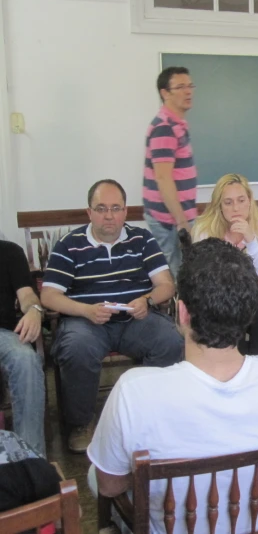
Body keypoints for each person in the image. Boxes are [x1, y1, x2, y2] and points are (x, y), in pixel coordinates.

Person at [87, 238, 258, 534]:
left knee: (97, 475)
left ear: (182, 313)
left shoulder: (134, 390)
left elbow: (110, 485)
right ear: (249, 312)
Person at [41, 179, 184, 453]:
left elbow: (166, 284)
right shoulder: (70, 244)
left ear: (125, 211)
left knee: (170, 341)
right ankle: (81, 424)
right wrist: (85, 310)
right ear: (89, 213)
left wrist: (147, 299)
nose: (109, 215)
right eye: (102, 208)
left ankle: (149, 414)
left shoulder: (142, 239)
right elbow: (48, 295)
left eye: (116, 208)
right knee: (76, 348)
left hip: (135, 319)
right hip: (86, 322)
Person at [192, 173, 258, 354]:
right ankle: (233, 362)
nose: (236, 208)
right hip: (217, 297)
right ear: (219, 206)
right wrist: (247, 282)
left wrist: (251, 240)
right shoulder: (204, 229)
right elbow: (204, 278)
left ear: (250, 201)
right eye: (228, 202)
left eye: (241, 200)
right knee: (227, 303)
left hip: (254, 296)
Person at [143, 66, 198, 277]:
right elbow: (163, 178)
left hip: (178, 217)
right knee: (174, 279)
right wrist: (182, 221)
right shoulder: (164, 127)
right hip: (169, 221)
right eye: (181, 87)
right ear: (165, 93)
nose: (188, 92)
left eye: (190, 86)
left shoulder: (177, 124)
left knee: (185, 276)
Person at [0, 240, 46, 456]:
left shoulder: (9, 252)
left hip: (2, 335)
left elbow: (27, 294)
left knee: (26, 359)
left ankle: (30, 459)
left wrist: (34, 309)